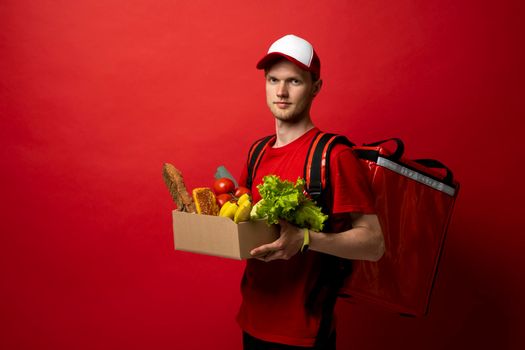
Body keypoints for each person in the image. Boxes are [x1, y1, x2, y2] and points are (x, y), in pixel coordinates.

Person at [236, 34, 385, 350]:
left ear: (315, 87)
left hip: (304, 333)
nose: (281, 91)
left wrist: (305, 239)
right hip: (251, 319)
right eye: (273, 79)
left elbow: (374, 244)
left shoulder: (333, 155)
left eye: (294, 81)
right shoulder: (257, 152)